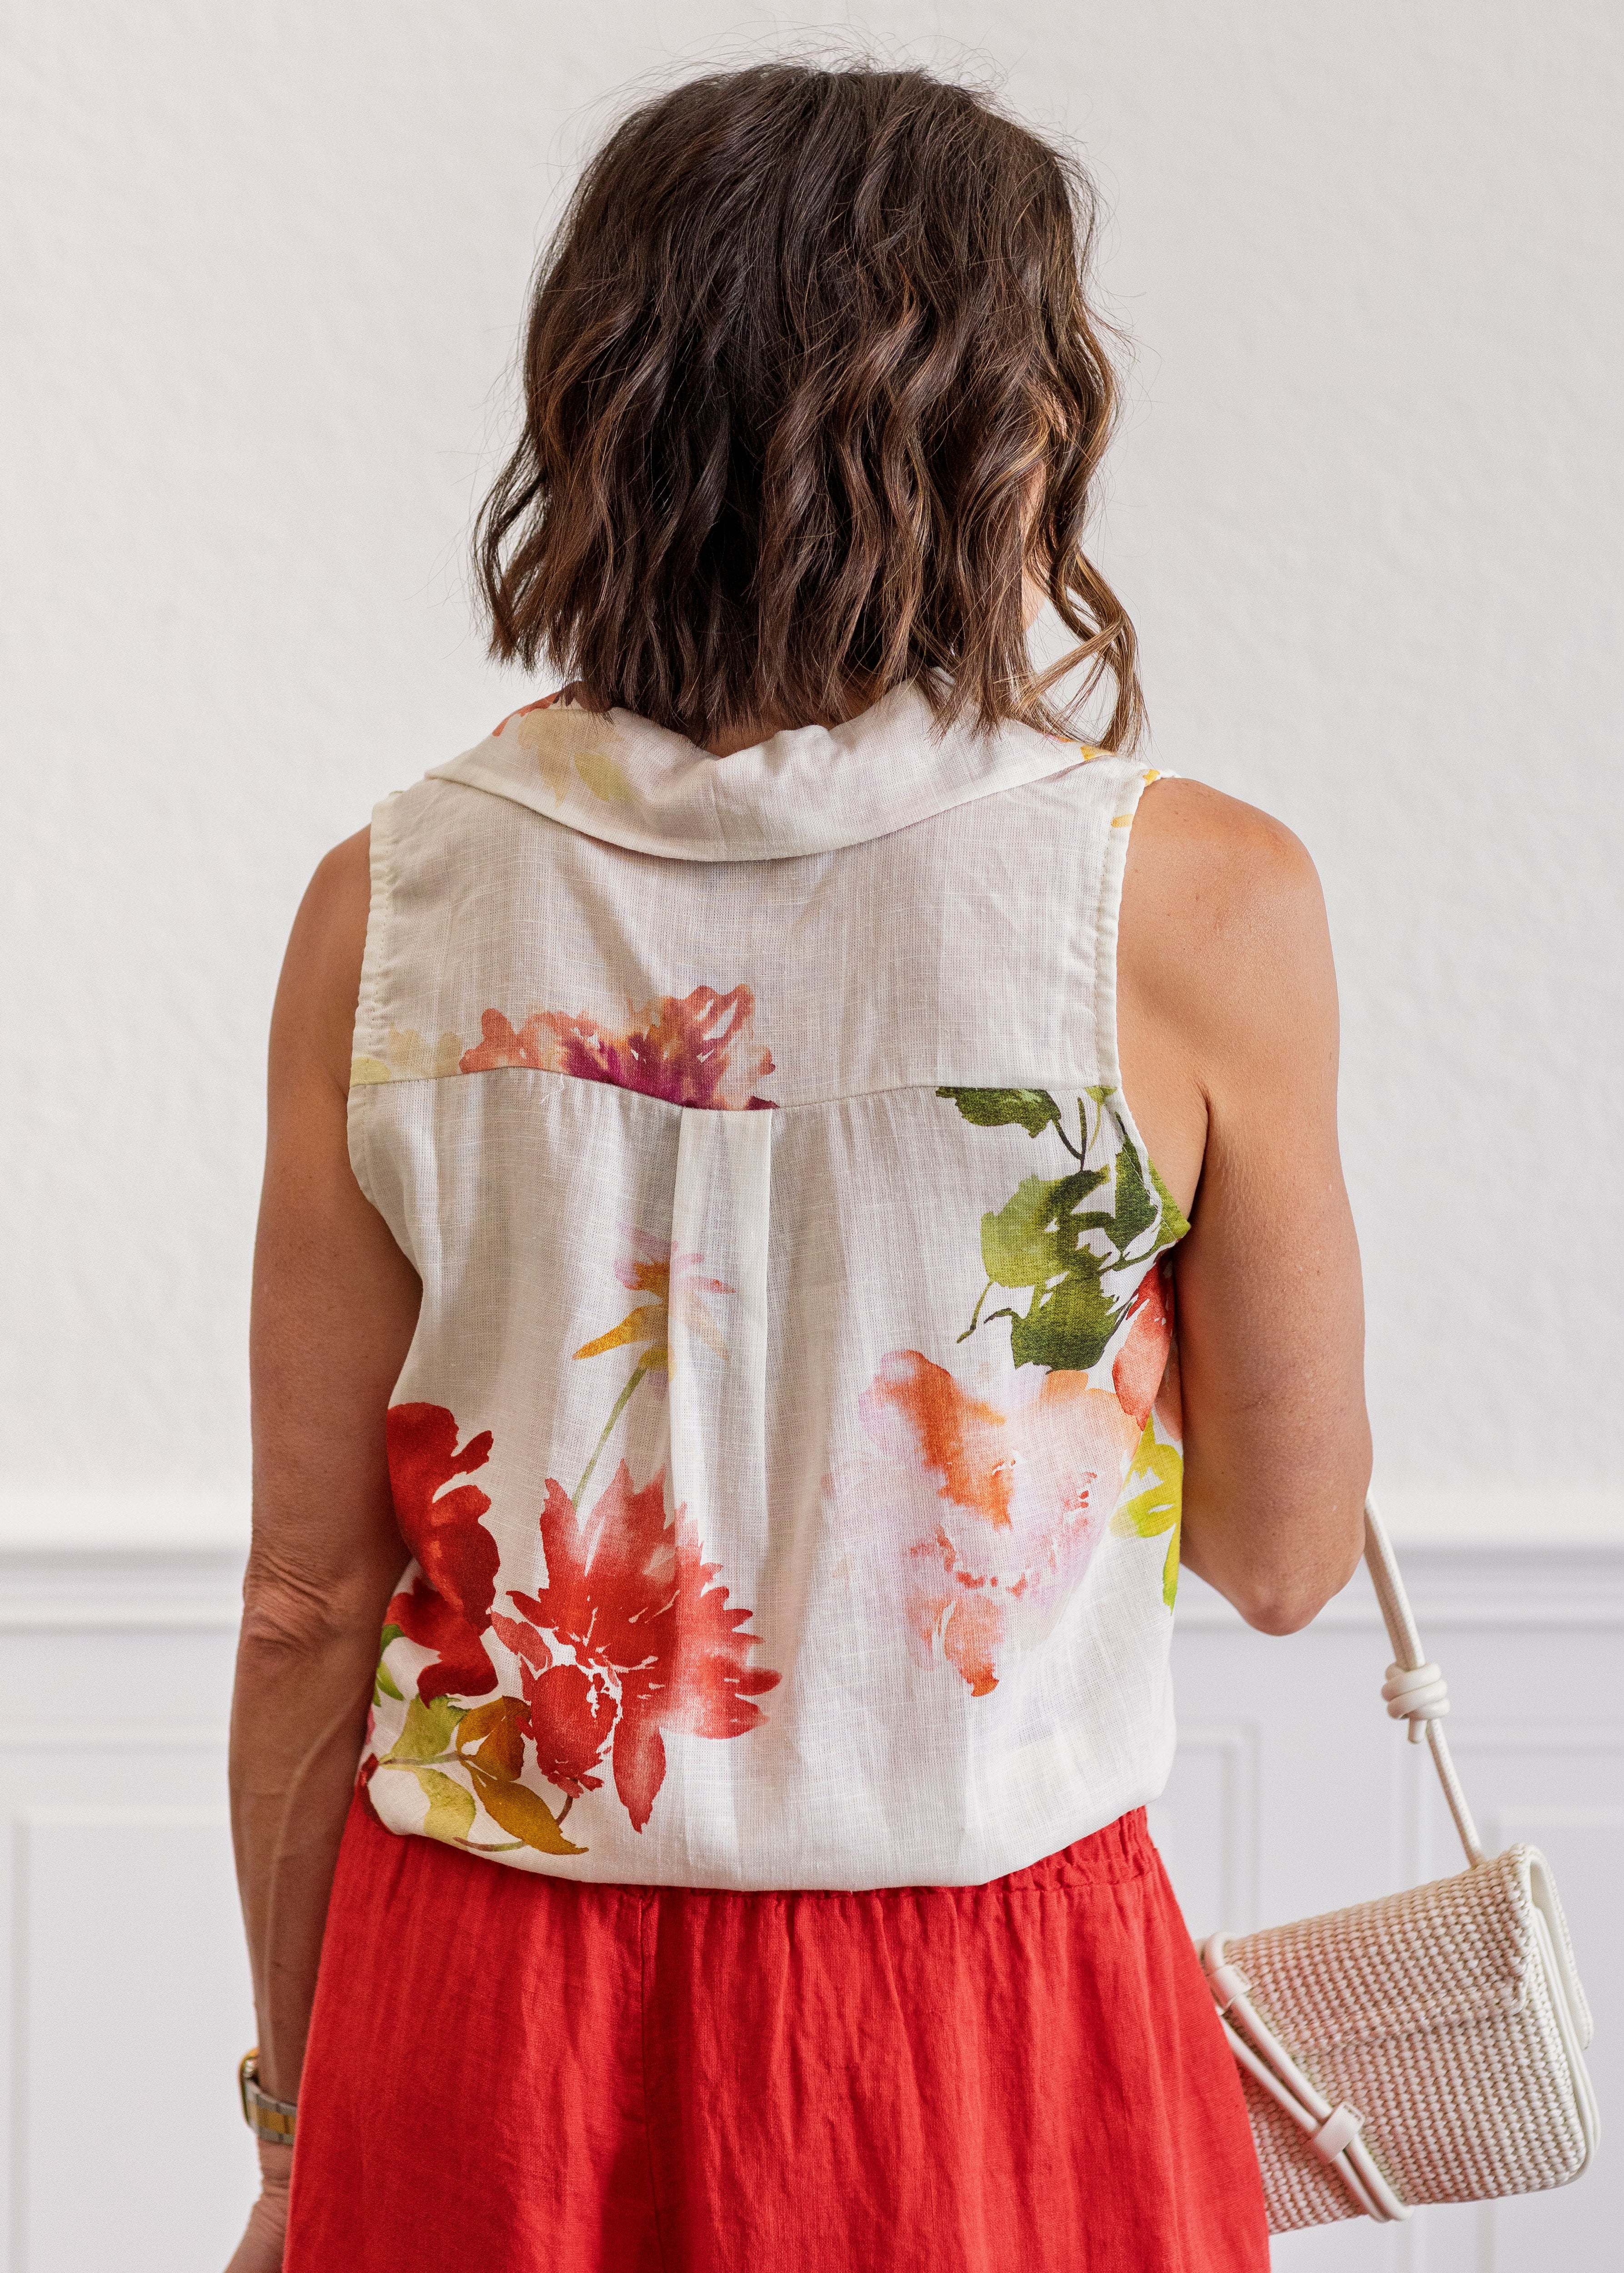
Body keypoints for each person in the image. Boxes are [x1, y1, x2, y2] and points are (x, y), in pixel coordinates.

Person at [226, 61, 1369, 2273]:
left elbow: (305, 1602)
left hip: (483, 2009)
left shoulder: (392, 906)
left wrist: (295, 2122)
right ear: (1012, 432)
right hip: (985, 2015)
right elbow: (1281, 1546)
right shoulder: (1195, 902)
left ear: (603, 412)